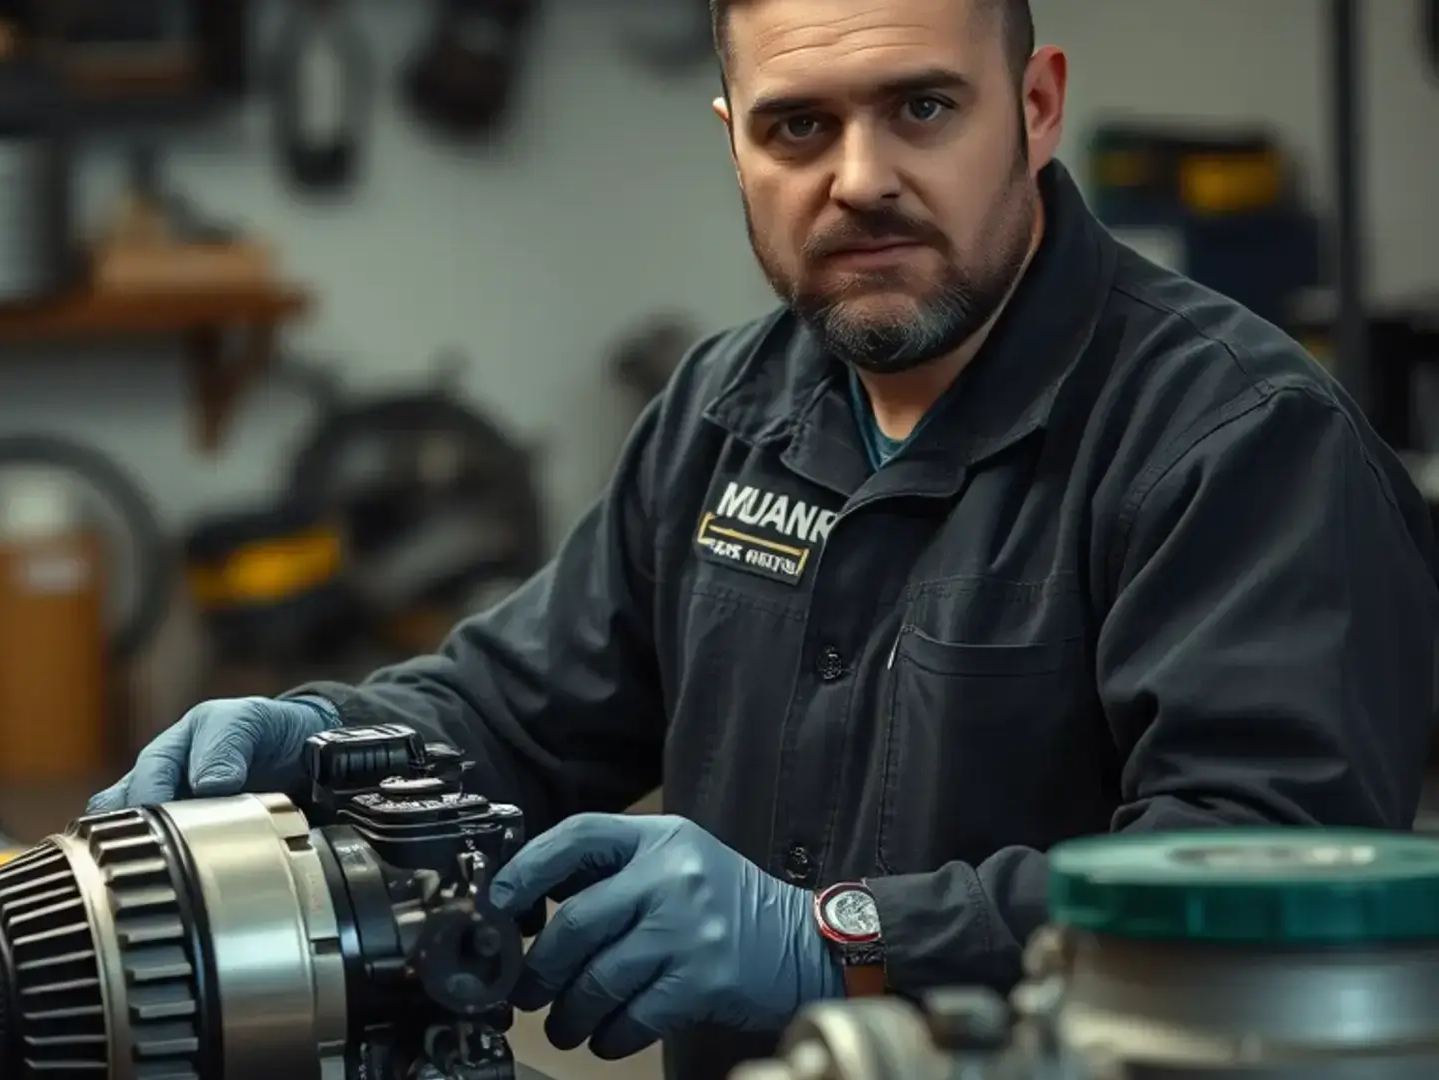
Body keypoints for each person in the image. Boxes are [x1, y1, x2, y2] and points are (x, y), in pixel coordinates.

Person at [92, 0, 1439, 1077]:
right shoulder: (726, 407)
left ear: (1035, 109)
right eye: (798, 126)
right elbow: (518, 714)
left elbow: (1254, 892)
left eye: (922, 108)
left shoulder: (1240, 442)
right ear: (734, 139)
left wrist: (841, 942)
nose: (861, 180)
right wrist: (326, 745)